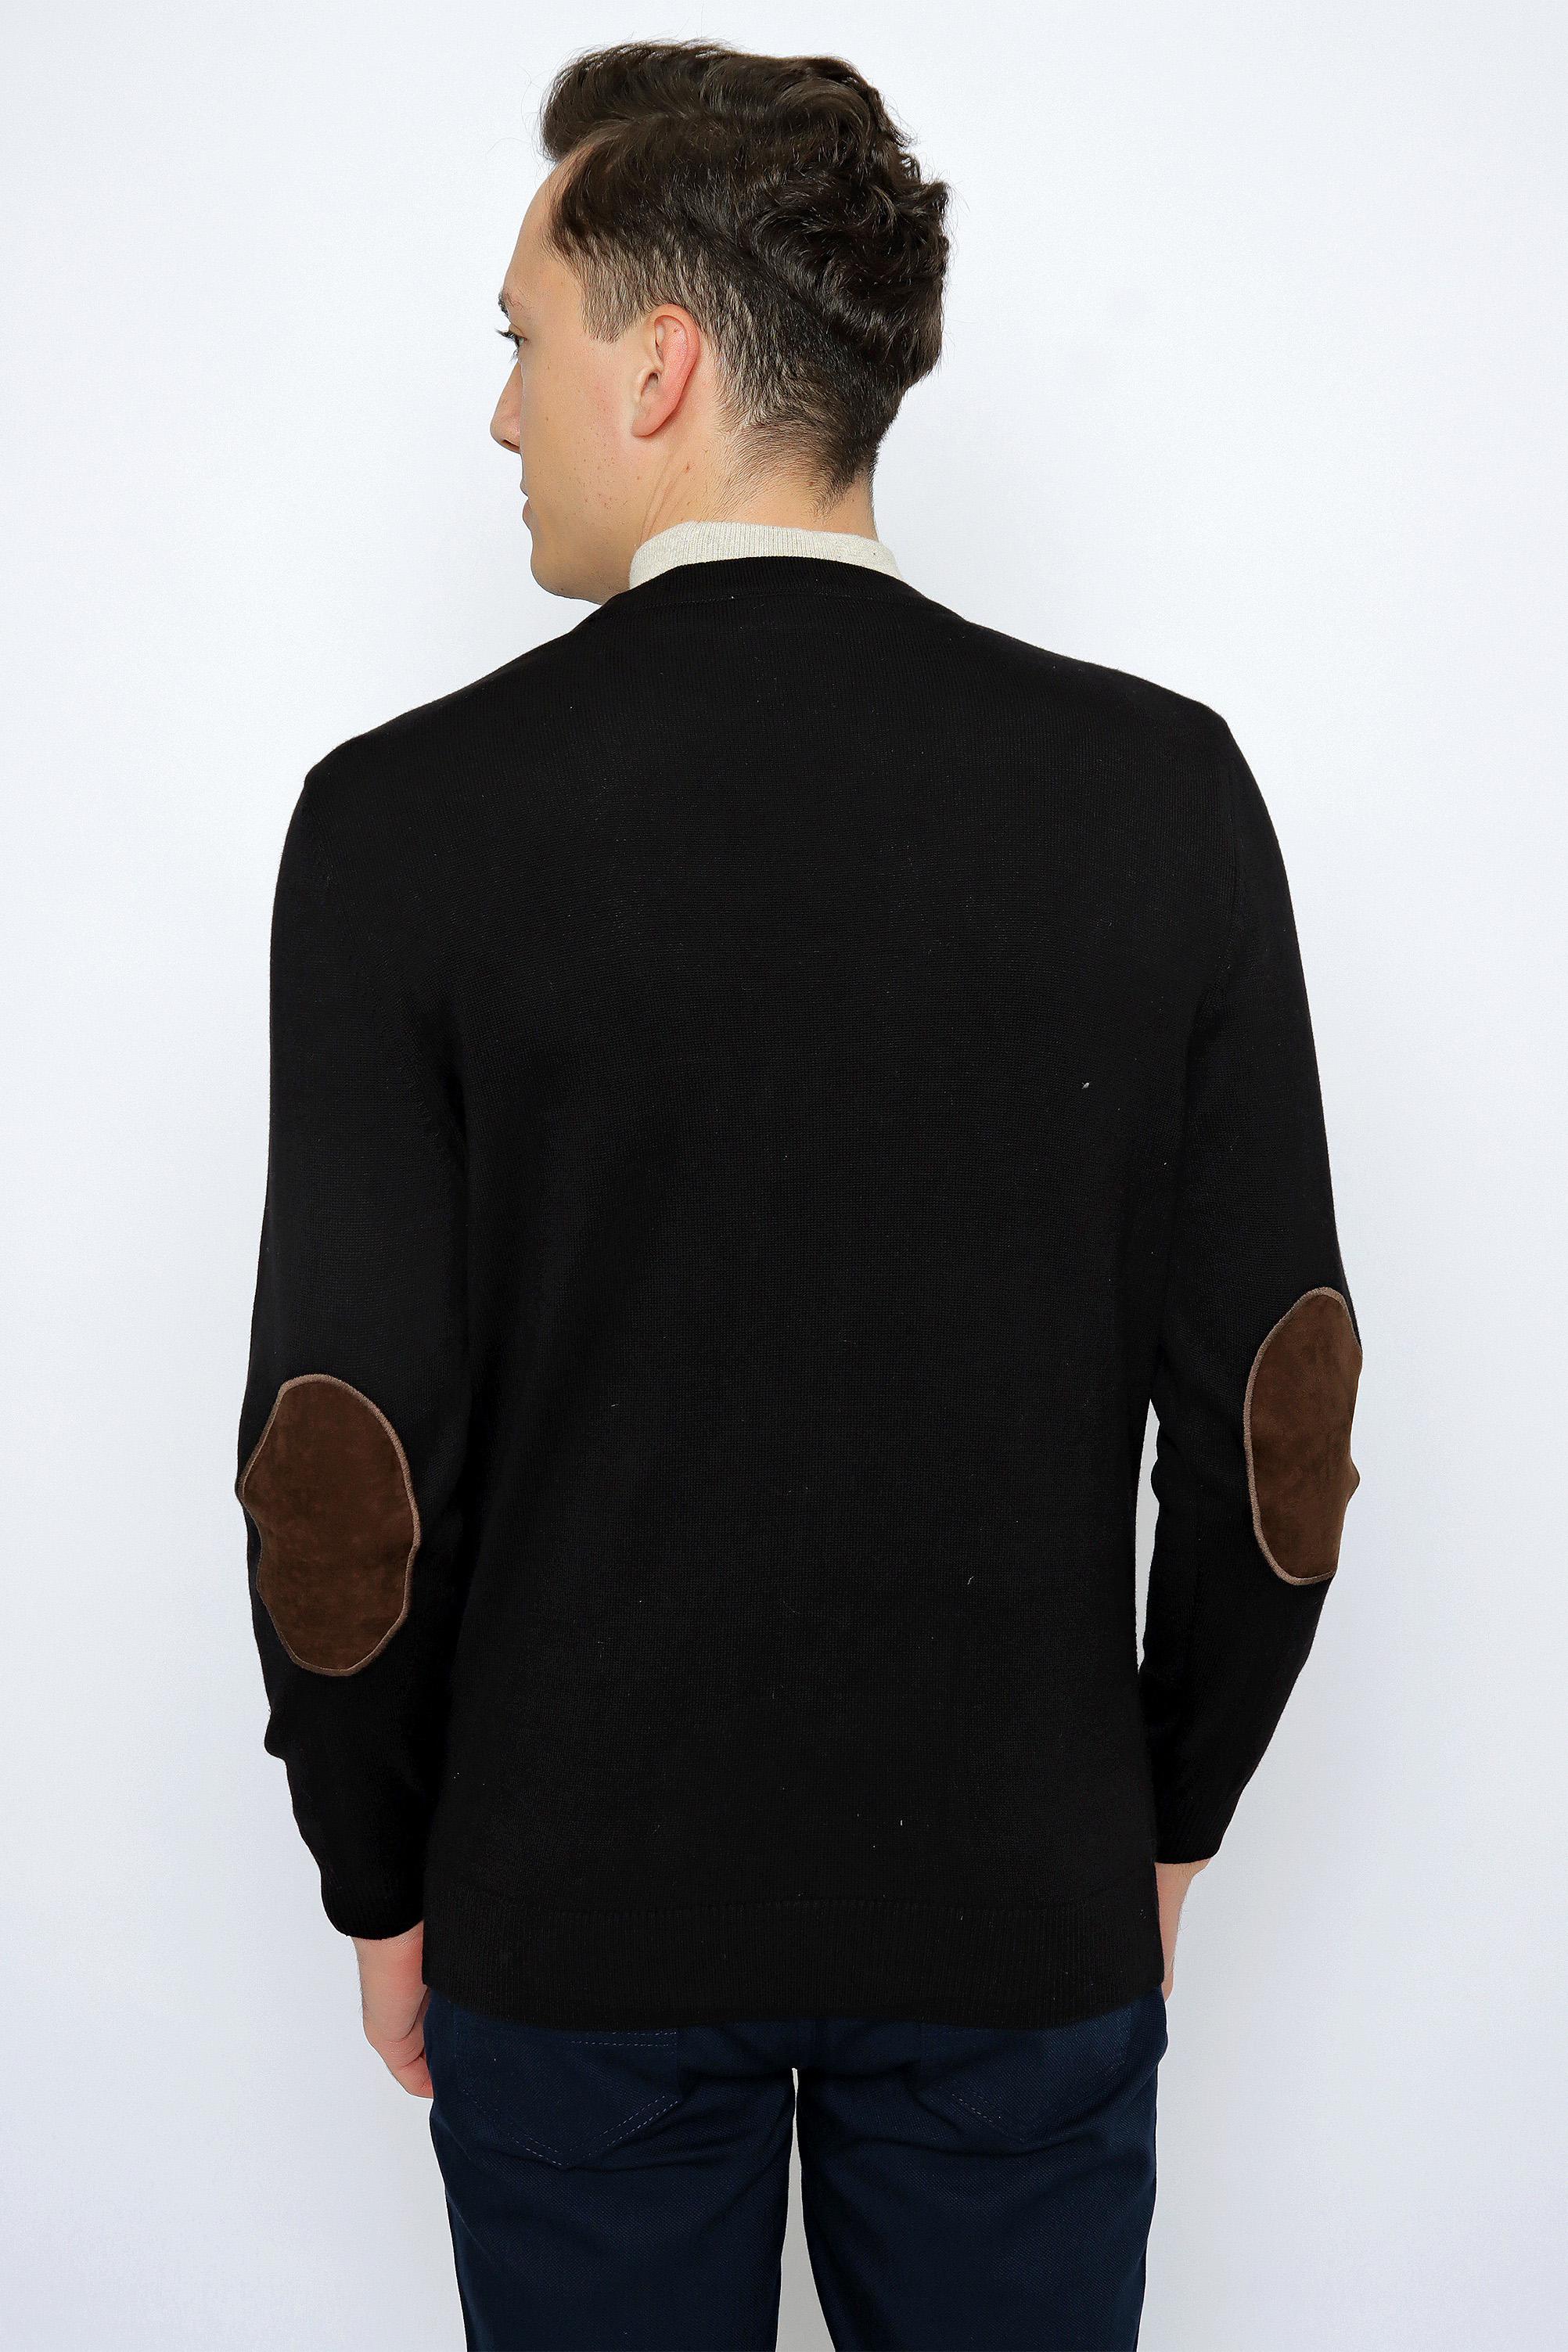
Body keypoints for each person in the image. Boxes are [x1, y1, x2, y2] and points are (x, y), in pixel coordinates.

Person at [236, 38, 1362, 2351]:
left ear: (657, 366)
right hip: (1017, 1904)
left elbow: (337, 1471)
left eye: (523, 344)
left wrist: (376, 1864)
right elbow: (1283, 1427)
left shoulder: (401, 823)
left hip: (570, 1918)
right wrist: (1156, 1823)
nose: (500, 415)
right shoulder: (1159, 794)